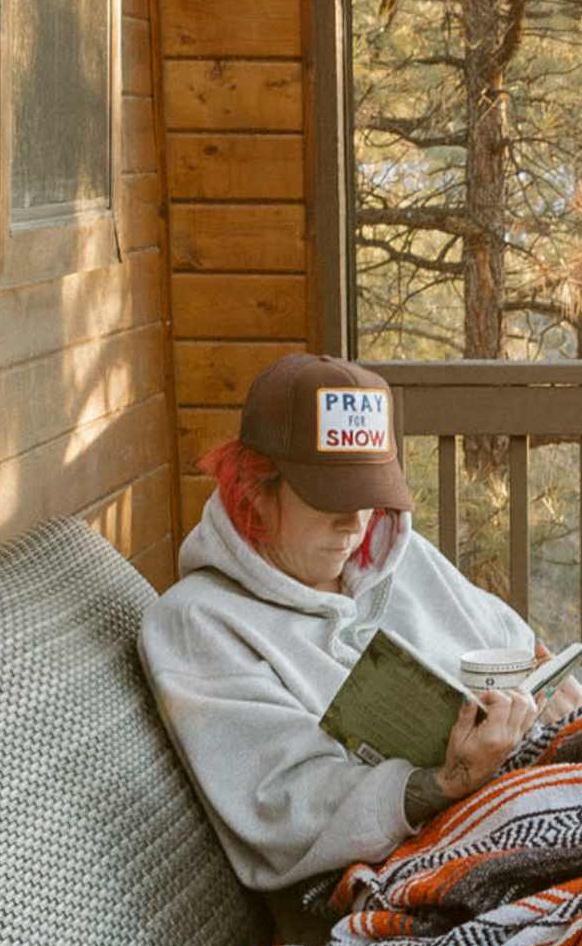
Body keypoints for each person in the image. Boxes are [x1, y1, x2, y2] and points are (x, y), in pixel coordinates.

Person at [140, 352, 547, 898]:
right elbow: (282, 805)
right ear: (254, 492)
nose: (355, 524)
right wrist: (443, 783)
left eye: (369, 498)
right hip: (395, 870)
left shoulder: (395, 556)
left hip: (524, 781)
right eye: (331, 498)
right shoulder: (199, 623)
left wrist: (548, 690)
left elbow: (513, 645)